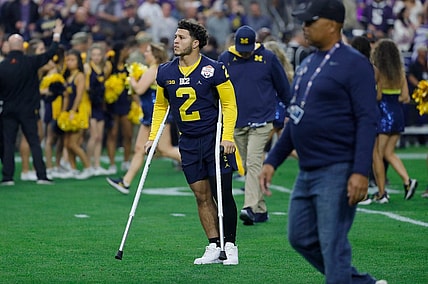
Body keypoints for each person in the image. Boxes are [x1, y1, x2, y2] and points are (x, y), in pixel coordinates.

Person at [259, 1, 387, 283]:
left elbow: (368, 120)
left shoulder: (356, 64)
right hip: (308, 170)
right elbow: (296, 117)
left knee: (333, 244)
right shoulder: (308, 62)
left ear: (332, 24)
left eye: (309, 22)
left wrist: (359, 171)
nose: (303, 27)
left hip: (338, 168)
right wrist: (272, 161)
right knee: (300, 237)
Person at [145, 19, 239, 265]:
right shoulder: (165, 72)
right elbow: (160, 107)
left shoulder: (214, 69)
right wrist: (153, 137)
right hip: (187, 141)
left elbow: (229, 105)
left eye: (182, 37)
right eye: (175, 37)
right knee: (201, 195)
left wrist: (228, 136)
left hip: (214, 139)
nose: (176, 41)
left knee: (223, 193)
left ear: (195, 43)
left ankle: (230, 245)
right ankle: (213, 244)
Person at [218, 25, 291, 226]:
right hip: (236, 121)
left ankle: (249, 207)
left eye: (248, 48)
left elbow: (283, 88)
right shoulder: (225, 58)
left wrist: (290, 109)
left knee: (253, 161)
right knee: (247, 166)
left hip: (262, 121)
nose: (245, 52)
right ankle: (260, 210)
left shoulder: (268, 58)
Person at [107, 42, 181, 194]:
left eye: (148, 51)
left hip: (157, 115)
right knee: (139, 148)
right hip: (149, 115)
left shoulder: (154, 69)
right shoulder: (155, 69)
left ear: (155, 55)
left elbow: (139, 89)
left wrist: (132, 78)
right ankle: (125, 182)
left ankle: (199, 160)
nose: (145, 54)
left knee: (165, 149)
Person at [0, 19, 64, 185]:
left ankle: (7, 177)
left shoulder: (3, 66)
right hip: (28, 109)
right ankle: (41, 175)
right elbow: (51, 53)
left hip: (8, 109)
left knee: (8, 143)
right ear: (22, 46)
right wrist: (56, 34)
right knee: (34, 141)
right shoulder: (30, 62)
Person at [371, 39, 418, 202]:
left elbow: (377, 96)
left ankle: (381, 193)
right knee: (388, 153)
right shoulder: (400, 72)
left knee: (377, 154)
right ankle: (407, 180)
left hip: (383, 114)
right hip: (398, 114)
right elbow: (405, 97)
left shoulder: (379, 71)